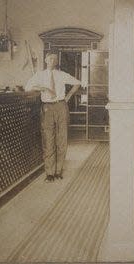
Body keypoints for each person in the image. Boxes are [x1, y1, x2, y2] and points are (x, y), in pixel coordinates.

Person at [25, 53, 80, 182]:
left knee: (62, 139)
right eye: (50, 58)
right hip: (47, 108)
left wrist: (68, 96)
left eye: (55, 59)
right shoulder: (39, 75)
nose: (52, 60)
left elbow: (77, 83)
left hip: (61, 106)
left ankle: (58, 171)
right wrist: (44, 88)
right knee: (48, 139)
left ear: (56, 61)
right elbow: (28, 87)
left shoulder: (61, 74)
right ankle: (49, 173)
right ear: (45, 60)